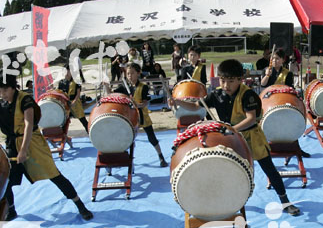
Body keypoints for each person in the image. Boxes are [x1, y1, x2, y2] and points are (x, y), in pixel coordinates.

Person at [0, 71, 93, 221]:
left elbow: (28, 125)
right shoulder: (0, 105)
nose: (2, 94)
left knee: (54, 174)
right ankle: (11, 210)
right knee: (5, 179)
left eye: (5, 90)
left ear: (13, 87)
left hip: (33, 143)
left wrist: (23, 150)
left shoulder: (25, 99)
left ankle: (80, 205)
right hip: (13, 145)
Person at [191, 59, 301, 216]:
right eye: (222, 80)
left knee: (269, 169)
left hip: (251, 137)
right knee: (228, 171)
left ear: (240, 80)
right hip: (231, 138)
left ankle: (285, 202)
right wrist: (178, 103)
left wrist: (232, 129)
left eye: (231, 81)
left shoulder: (248, 95)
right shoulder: (217, 94)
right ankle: (226, 202)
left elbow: (251, 118)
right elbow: (196, 106)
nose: (226, 85)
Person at [112, 62, 168, 167]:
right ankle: (125, 159)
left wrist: (137, 104)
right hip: (130, 117)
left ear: (138, 73)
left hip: (143, 116)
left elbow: (145, 103)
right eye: (128, 74)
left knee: (151, 137)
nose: (130, 76)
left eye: (132, 73)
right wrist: (106, 86)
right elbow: (112, 94)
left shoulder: (143, 87)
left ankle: (161, 156)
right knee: (127, 139)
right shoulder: (124, 87)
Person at [57, 67, 89, 133]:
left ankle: (89, 131)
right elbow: (59, 93)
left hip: (75, 102)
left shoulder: (76, 81)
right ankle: (62, 135)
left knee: (83, 120)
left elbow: (78, 93)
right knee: (64, 121)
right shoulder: (61, 82)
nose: (67, 73)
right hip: (65, 103)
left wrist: (74, 101)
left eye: (68, 71)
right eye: (65, 71)